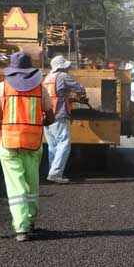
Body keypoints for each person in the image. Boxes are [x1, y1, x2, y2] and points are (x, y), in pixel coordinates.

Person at [0, 52, 54, 242]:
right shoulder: (40, 89)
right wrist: (38, 122)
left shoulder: (2, 88)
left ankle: (21, 228)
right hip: (33, 144)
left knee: (16, 187)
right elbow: (51, 117)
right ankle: (30, 220)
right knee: (32, 184)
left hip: (9, 144)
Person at [43, 55, 86, 184]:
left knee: (53, 146)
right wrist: (81, 94)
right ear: (61, 67)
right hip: (59, 115)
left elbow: (56, 95)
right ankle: (55, 173)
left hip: (47, 116)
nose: (68, 69)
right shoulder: (62, 76)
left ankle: (53, 171)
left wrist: (70, 98)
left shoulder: (47, 78)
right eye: (67, 67)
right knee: (63, 144)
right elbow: (79, 88)